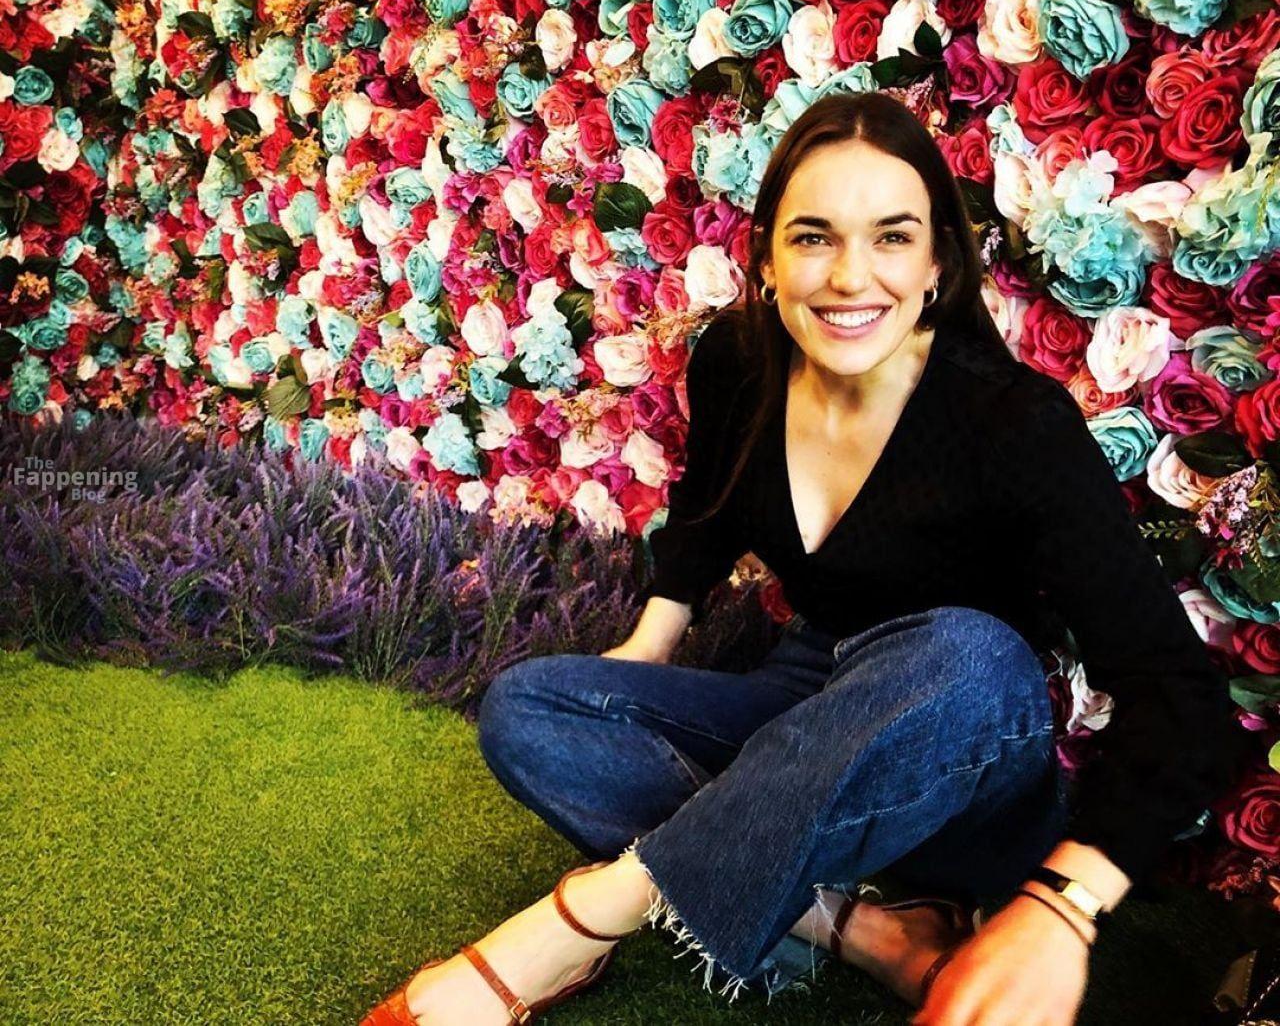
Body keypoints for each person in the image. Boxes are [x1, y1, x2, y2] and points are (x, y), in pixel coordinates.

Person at [361, 92, 1242, 1026]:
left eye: (892, 237)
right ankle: (864, 931)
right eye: (814, 237)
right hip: (806, 700)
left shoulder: (1014, 424)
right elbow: (705, 508)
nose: (851, 277)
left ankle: (589, 915)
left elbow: (1178, 695)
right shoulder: (739, 361)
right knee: (530, 711)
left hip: (956, 753)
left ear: (938, 263)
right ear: (768, 259)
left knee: (972, 652)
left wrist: (1065, 905)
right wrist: (648, 648)